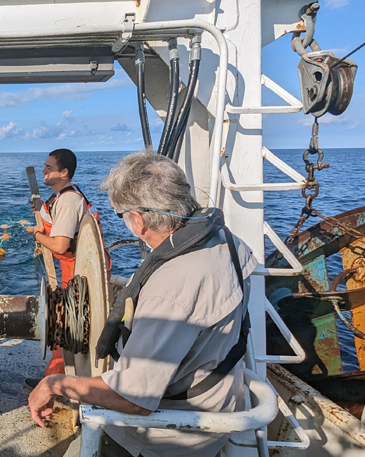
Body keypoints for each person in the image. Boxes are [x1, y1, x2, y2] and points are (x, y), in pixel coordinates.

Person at [28, 150, 254, 457]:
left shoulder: (170, 288)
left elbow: (132, 397)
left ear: (137, 220)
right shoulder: (228, 241)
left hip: (165, 437)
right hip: (221, 407)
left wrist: (55, 384)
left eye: (122, 216)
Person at [27, 148, 102, 387]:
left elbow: (60, 245)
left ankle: (54, 385)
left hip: (79, 273)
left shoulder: (68, 201)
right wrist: (42, 215)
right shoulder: (62, 197)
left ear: (64, 172)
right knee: (66, 324)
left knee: (65, 326)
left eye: (49, 168)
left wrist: (39, 236)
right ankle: (61, 380)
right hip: (78, 269)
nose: (43, 171)